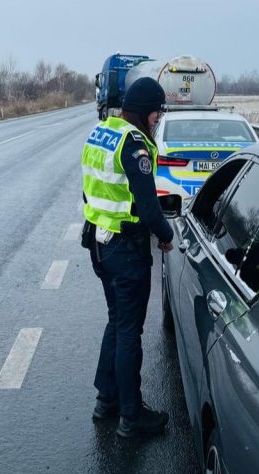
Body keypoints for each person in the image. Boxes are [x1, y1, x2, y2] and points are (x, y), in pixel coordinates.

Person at [81, 77, 174, 438]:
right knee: (129, 331)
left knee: (116, 321)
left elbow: (90, 190)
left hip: (100, 245)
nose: (157, 120)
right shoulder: (133, 144)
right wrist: (166, 238)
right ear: (147, 112)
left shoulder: (101, 133)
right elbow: (149, 207)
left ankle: (107, 400)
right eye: (157, 113)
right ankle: (132, 416)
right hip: (126, 249)